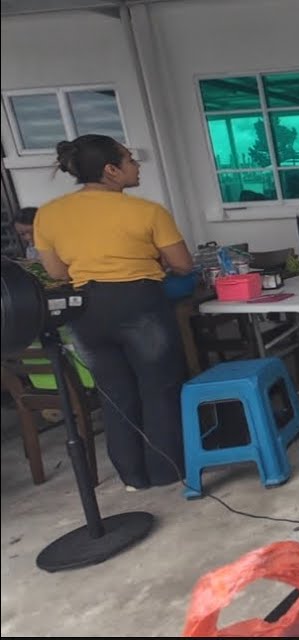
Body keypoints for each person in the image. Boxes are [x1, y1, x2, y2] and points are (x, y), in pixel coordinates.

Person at [33, 134, 194, 491]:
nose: (136, 166)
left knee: (114, 392)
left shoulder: (49, 213)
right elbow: (183, 264)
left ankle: (132, 476)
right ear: (111, 170)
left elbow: (58, 273)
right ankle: (167, 470)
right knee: (159, 387)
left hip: (86, 311)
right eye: (130, 160)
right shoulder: (147, 211)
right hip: (140, 303)